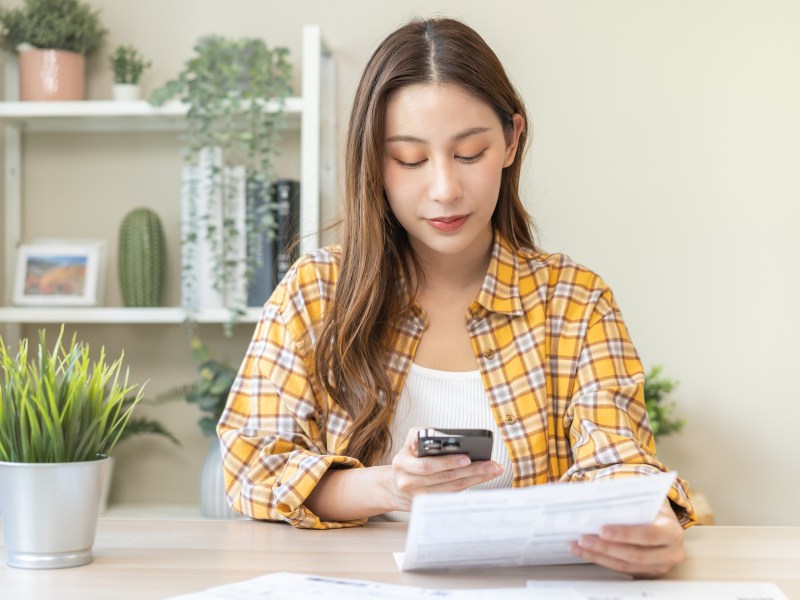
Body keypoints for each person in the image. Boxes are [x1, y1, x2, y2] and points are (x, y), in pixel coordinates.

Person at [218, 17, 695, 577]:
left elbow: (621, 462)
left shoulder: (576, 301)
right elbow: (252, 465)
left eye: (469, 153)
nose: (444, 189)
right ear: (374, 160)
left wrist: (650, 521)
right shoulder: (315, 293)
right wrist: (388, 488)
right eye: (411, 160)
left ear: (512, 140)